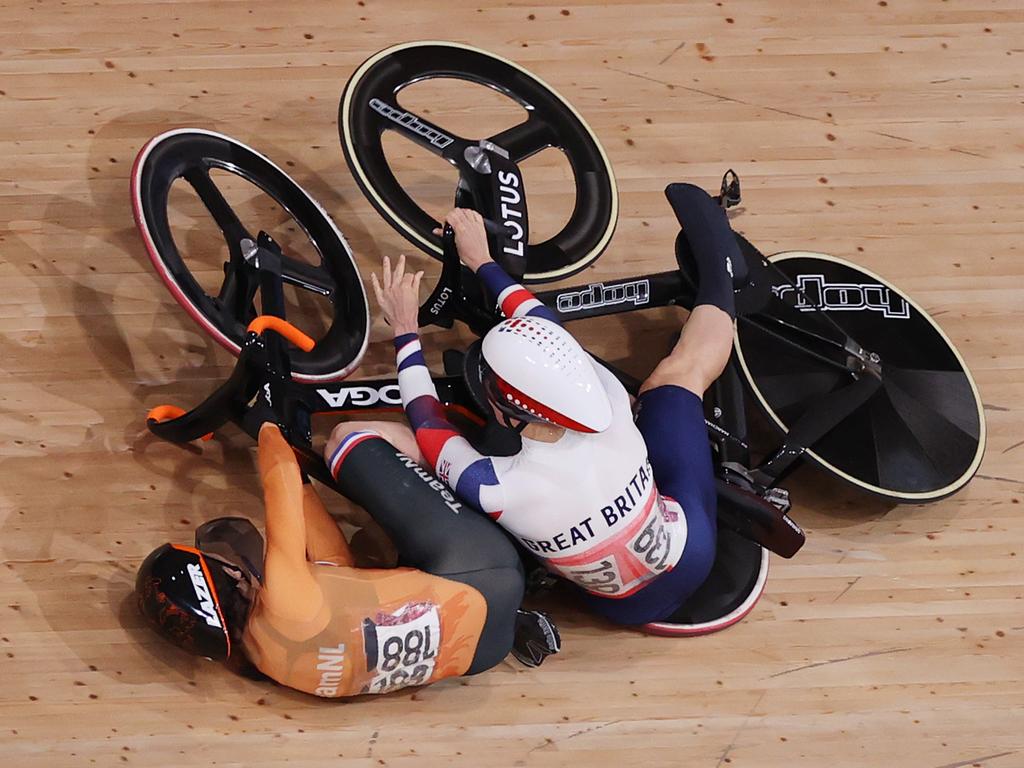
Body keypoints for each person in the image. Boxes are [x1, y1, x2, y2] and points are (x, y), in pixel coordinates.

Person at [326, 185, 740, 629]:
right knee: (681, 375)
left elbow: (424, 418)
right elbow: (545, 324)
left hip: (625, 604)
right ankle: (724, 278)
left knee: (406, 445)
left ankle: (732, 272)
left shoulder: (493, 486)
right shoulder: (609, 399)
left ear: (507, 413)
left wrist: (406, 327)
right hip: (689, 553)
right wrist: (481, 261)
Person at [136, 422, 559, 698]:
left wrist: (304, 486)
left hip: (482, 653)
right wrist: (269, 425)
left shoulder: (270, 663)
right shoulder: (283, 599)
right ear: (226, 573)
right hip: (482, 569)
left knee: (389, 573)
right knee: (348, 443)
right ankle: (503, 466)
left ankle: (519, 607)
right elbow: (276, 479)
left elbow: (337, 565)